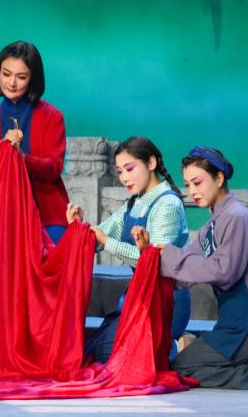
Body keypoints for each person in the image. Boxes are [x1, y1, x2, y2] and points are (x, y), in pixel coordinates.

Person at [133, 146, 248, 390]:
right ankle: (201, 347)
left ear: (219, 178)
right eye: (188, 185)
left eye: (198, 182)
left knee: (181, 369)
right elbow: (184, 267)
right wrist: (151, 253)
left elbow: (223, 271)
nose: (192, 191)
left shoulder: (238, 217)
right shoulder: (213, 225)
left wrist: (169, 257)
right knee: (177, 365)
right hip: (234, 323)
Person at [67, 136, 191, 363]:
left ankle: (175, 347)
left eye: (130, 169)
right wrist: (79, 228)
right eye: (120, 171)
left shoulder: (168, 204)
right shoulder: (134, 203)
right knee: (91, 349)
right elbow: (100, 236)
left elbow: (154, 262)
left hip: (164, 300)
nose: (124, 177)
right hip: (138, 296)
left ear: (151, 163)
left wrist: (107, 241)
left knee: (111, 354)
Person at [0, 41, 69, 243]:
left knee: (55, 249)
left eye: (21, 77)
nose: (12, 83)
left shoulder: (52, 117)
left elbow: (53, 167)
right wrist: (0, 147)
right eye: (6, 74)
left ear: (33, 79)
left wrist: (20, 158)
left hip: (46, 212)